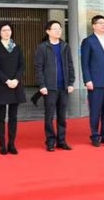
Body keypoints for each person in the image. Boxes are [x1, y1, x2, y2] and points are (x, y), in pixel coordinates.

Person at [34, 20, 75, 151]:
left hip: (64, 87)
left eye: (60, 28)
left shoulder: (65, 46)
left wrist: (71, 82)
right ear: (48, 31)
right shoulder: (43, 47)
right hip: (50, 88)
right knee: (49, 116)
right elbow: (38, 68)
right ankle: (50, 141)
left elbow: (70, 65)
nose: (58, 31)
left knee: (62, 116)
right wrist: (42, 85)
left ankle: (61, 141)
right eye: (55, 28)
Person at [80, 15, 104, 147]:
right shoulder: (88, 41)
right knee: (95, 110)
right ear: (94, 26)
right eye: (100, 23)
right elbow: (84, 63)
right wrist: (87, 80)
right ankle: (95, 135)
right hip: (95, 81)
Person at [0, 22, 26, 155]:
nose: (7, 32)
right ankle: (2, 144)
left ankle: (11, 144)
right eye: (4, 30)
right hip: (1, 85)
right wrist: (6, 80)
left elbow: (22, 65)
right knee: (0, 116)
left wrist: (16, 80)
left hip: (15, 84)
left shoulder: (16, 47)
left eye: (9, 30)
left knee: (13, 116)